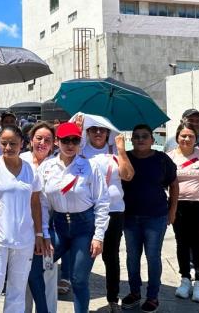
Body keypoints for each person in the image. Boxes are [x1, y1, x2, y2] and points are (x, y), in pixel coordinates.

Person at [37, 122, 110, 313]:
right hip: (59, 225)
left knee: (79, 280)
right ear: (57, 142)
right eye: (65, 140)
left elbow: (102, 201)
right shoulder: (47, 167)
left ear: (80, 142)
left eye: (75, 140)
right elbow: (42, 203)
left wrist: (98, 236)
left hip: (84, 228)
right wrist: (44, 233)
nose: (70, 144)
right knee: (35, 268)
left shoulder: (89, 167)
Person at [0, 125, 45, 313]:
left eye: (13, 143)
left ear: (22, 144)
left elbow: (35, 203)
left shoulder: (31, 169)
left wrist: (39, 233)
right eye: (4, 143)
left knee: (17, 289)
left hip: (24, 239)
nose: (8, 147)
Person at [75, 114, 135, 312]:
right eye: (93, 129)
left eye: (102, 129)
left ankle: (112, 298)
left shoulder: (115, 151)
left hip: (114, 211)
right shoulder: (81, 150)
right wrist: (76, 131)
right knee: (84, 257)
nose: (98, 132)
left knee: (111, 257)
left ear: (108, 133)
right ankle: (81, 302)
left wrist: (122, 150)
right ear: (88, 132)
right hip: (88, 212)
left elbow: (128, 176)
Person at [121, 124, 178, 313]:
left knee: (153, 257)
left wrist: (172, 211)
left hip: (156, 216)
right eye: (136, 136)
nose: (140, 139)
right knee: (132, 257)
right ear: (132, 140)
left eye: (145, 136)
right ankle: (134, 292)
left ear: (153, 140)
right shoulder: (125, 157)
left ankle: (153, 296)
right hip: (130, 217)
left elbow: (174, 184)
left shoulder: (162, 159)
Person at [168, 122, 199, 303]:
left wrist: (198, 193)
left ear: (196, 138)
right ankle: (185, 279)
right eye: (183, 136)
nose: (186, 139)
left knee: (198, 242)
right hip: (177, 205)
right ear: (177, 138)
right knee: (182, 242)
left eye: (191, 136)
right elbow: (168, 181)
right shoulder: (170, 157)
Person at [22, 122, 58, 313]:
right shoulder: (21, 159)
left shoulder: (58, 163)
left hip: (49, 228)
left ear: (53, 144)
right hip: (23, 227)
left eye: (47, 140)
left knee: (48, 273)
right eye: (38, 138)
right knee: (23, 276)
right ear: (30, 140)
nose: (42, 143)